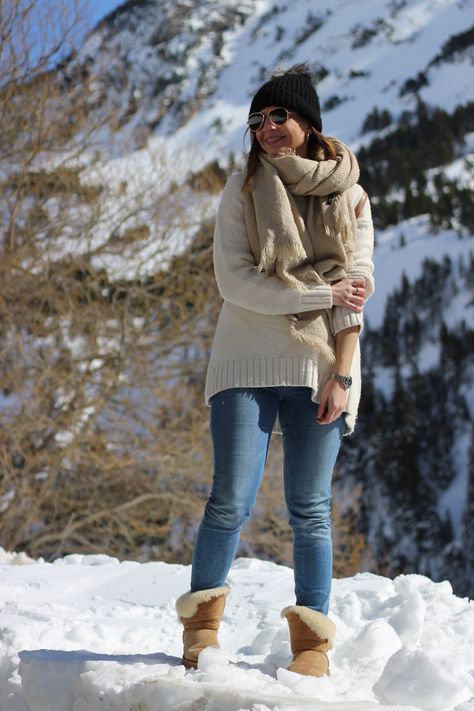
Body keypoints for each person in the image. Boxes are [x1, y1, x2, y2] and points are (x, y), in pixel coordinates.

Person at [176, 64, 375, 677]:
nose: (265, 129)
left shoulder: (351, 195)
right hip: (244, 360)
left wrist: (341, 376)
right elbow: (236, 283)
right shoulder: (240, 191)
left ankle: (311, 644)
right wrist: (322, 296)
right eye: (256, 121)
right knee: (229, 501)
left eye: (278, 117)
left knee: (311, 508)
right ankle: (200, 633)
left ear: (307, 122)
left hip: (322, 365)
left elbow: (357, 291)